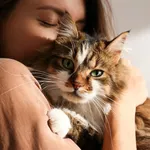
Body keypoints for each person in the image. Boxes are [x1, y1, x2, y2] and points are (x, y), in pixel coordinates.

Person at [0, 0, 148, 150]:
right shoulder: (8, 74)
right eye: (49, 21)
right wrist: (124, 106)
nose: (65, 39)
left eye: (81, 28)